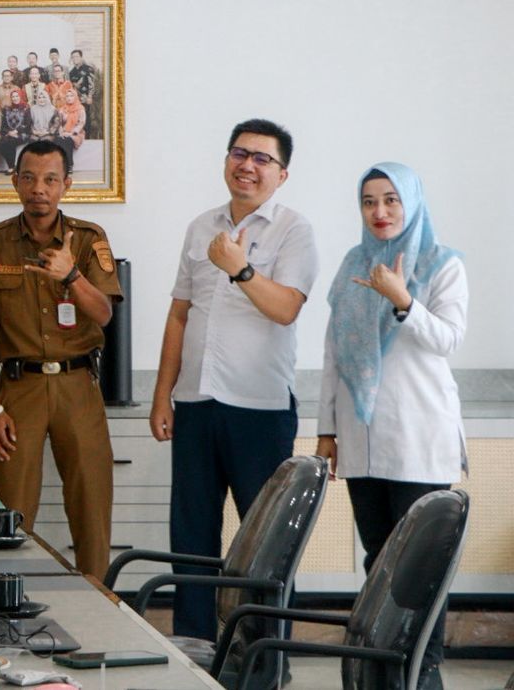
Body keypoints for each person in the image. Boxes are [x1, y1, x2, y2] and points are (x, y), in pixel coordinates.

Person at [148, 119, 318, 640]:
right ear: (226, 159)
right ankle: (193, 651)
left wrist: (241, 270)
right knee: (191, 538)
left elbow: (287, 309)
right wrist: (162, 396)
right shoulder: (202, 227)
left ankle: (265, 659)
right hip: (196, 404)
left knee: (264, 544)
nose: (247, 165)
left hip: (259, 409)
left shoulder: (295, 230)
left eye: (262, 158)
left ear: (282, 174)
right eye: (239, 153)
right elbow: (179, 314)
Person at [317, 163, 466, 690]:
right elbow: (335, 352)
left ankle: (421, 673)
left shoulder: (442, 263)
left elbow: (448, 339)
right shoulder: (353, 263)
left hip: (419, 441)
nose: (379, 212)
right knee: (378, 561)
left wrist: (404, 300)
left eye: (390, 200)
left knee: (420, 569)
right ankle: (381, 672)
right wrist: (326, 430)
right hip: (362, 441)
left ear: (410, 203)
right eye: (368, 202)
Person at [0, 140, 123, 578]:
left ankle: (100, 610)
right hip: (19, 389)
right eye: (29, 178)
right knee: (9, 512)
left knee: (91, 505)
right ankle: (2, 605)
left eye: (51, 179)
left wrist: (70, 275)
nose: (39, 188)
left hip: (78, 387)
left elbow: (104, 313)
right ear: (15, 182)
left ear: (66, 185)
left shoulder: (89, 240)